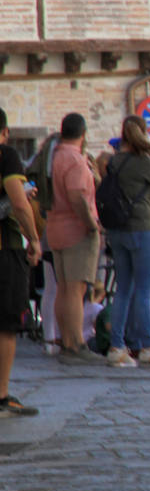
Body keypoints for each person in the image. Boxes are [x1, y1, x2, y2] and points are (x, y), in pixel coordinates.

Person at [102, 116, 150, 369]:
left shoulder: (114, 162)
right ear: (143, 134)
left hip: (118, 230)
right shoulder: (144, 163)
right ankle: (147, 346)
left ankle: (117, 347)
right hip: (143, 229)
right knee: (144, 291)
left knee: (123, 289)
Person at [47, 114, 105, 365]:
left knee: (63, 288)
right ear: (83, 133)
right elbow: (77, 196)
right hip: (76, 229)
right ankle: (75, 344)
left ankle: (65, 341)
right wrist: (91, 225)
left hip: (55, 227)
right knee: (75, 289)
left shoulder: (53, 156)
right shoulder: (74, 159)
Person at [0, 108, 44, 414]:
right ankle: (2, 395)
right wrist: (35, 238)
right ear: (4, 132)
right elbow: (17, 201)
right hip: (4, 248)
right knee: (5, 324)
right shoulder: (6, 156)